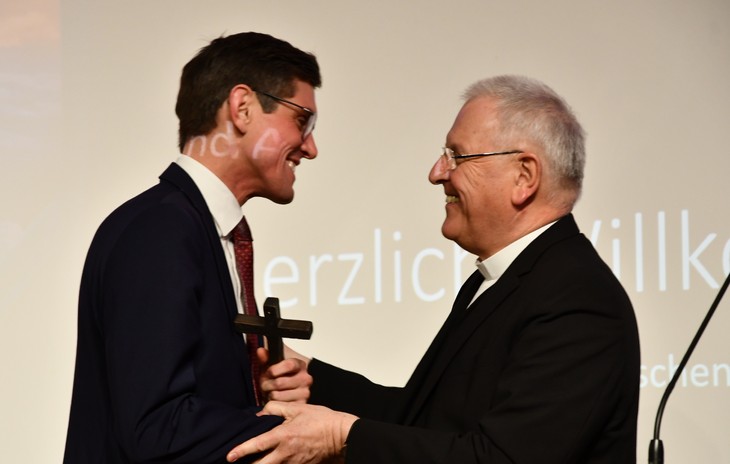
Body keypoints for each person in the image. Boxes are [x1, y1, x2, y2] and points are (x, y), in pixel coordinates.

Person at [226, 75, 641, 464]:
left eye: (456, 156)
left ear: (524, 176)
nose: (436, 173)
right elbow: (422, 416)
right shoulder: (502, 280)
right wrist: (312, 378)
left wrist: (344, 437)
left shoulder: (578, 299)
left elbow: (500, 457)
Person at [63, 32, 321, 463]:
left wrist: (261, 393)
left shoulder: (195, 227)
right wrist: (301, 435)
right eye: (303, 121)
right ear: (243, 108)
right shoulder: (158, 231)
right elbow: (158, 428)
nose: (311, 148)